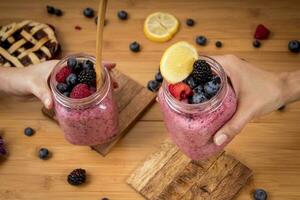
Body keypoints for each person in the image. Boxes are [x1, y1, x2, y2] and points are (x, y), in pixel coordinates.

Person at [0, 55, 299, 147]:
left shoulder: (211, 94)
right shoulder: (73, 92)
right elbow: (71, 84)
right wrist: (11, 77)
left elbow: (202, 86)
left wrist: (287, 85)